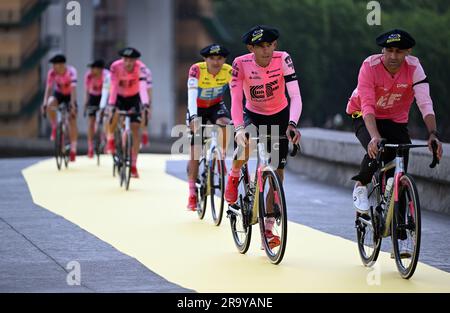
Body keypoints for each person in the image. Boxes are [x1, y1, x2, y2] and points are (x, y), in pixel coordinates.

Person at [347, 29, 443, 218]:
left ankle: (399, 224)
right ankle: (360, 186)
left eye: (399, 51)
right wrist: (374, 137)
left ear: (408, 52)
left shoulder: (415, 68)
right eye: (389, 50)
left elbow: (425, 102)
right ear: (382, 50)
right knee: (377, 149)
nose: (393, 56)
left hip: (395, 120)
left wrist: (433, 134)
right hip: (363, 115)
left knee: (400, 163)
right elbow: (367, 105)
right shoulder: (370, 66)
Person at [225, 25, 303, 248]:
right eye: (260, 46)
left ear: (275, 45)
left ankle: (268, 226)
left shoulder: (283, 59)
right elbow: (236, 99)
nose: (266, 51)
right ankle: (234, 174)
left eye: (269, 45)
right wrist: (239, 128)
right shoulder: (240, 64)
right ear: (251, 48)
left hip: (279, 114)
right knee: (246, 140)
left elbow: (296, 95)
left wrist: (292, 124)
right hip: (252, 113)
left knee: (276, 172)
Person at [186, 43, 232, 210]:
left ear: (224, 59)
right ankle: (191, 192)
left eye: (219, 58)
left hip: (216, 105)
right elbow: (191, 95)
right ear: (205, 59)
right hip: (197, 108)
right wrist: (192, 117)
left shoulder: (229, 71)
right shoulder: (196, 70)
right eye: (212, 58)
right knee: (196, 149)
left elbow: (237, 95)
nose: (216, 62)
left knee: (226, 123)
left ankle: (221, 156)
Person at [105, 47, 150, 178]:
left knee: (136, 129)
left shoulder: (141, 68)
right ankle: (111, 138)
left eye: (131, 60)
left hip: (134, 97)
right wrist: (112, 104)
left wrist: (145, 104)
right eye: (125, 60)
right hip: (119, 96)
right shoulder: (115, 67)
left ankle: (134, 165)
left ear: (136, 60)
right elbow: (113, 86)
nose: (128, 63)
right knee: (114, 114)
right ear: (122, 59)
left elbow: (142, 87)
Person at [41, 54, 78, 162]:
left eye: (55, 65)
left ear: (61, 65)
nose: (53, 67)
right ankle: (54, 126)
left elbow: (73, 90)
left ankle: (73, 149)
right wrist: (44, 104)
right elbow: (48, 88)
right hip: (59, 94)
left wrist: (72, 105)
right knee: (50, 103)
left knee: (72, 120)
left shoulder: (71, 72)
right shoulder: (52, 73)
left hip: (69, 95)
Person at [83, 59, 109, 158]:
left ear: (100, 69)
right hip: (93, 97)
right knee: (91, 122)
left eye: (94, 68)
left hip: (104, 95)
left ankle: (105, 140)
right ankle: (90, 147)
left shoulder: (107, 75)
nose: (92, 70)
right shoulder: (89, 76)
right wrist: (86, 103)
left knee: (106, 119)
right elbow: (86, 90)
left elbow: (110, 91)